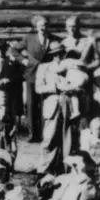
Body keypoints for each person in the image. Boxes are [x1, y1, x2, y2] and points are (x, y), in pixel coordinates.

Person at [20, 15, 60, 143]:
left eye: (45, 25)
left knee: (45, 105)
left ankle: (45, 134)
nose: (43, 27)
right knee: (31, 106)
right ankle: (32, 134)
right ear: (36, 26)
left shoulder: (54, 39)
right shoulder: (29, 38)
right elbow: (14, 50)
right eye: (41, 25)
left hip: (46, 77)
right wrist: (24, 60)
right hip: (31, 75)